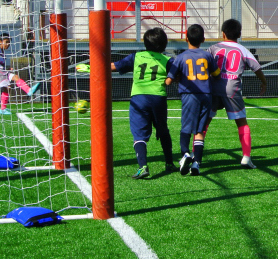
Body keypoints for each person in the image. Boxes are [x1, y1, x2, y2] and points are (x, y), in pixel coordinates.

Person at [110, 28, 175, 179]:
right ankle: (169, 163)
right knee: (163, 130)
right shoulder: (167, 60)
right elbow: (176, 76)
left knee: (139, 134)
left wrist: (92, 67)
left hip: (139, 99)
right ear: (164, 44)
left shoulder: (136, 56)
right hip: (158, 98)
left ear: (145, 43)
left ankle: (143, 166)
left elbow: (113, 66)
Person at [207, 19, 268, 169]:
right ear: (239, 34)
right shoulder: (242, 50)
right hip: (232, 89)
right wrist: (264, 82)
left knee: (204, 121)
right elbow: (256, 67)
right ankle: (246, 157)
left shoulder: (214, 48)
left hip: (213, 87)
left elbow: (203, 63)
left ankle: (195, 154)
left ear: (223, 33)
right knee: (241, 122)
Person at [165, 24, 221, 176]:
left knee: (186, 127)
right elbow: (217, 74)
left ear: (186, 38)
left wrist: (172, 79)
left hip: (190, 95)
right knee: (199, 130)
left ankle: (185, 154)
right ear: (203, 39)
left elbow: (169, 80)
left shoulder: (181, 57)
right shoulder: (207, 56)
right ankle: (197, 163)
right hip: (206, 95)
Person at [0, 33, 41, 116]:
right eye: (6, 42)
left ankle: (28, 90)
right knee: (7, 88)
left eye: (9, 42)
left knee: (16, 77)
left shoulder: (2, 53)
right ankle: (3, 109)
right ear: (0, 41)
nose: (8, 44)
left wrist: (8, 68)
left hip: (3, 71)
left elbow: (0, 65)